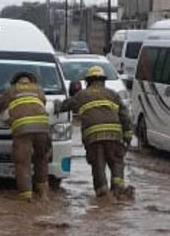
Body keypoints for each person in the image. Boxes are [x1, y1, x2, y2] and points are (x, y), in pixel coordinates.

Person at [56, 65, 134, 199]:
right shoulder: (113, 95)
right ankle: (119, 191)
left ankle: (103, 194)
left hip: (93, 138)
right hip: (115, 136)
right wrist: (127, 137)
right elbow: (125, 116)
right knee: (116, 162)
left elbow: (65, 106)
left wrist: (56, 104)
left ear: (88, 81)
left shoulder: (82, 95)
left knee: (98, 164)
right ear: (103, 81)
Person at [0, 71, 51, 202]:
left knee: (23, 162)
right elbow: (42, 102)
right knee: (41, 158)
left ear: (16, 81)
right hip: (43, 127)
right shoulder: (39, 89)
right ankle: (43, 194)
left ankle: (26, 197)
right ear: (31, 81)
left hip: (22, 128)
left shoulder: (11, 90)